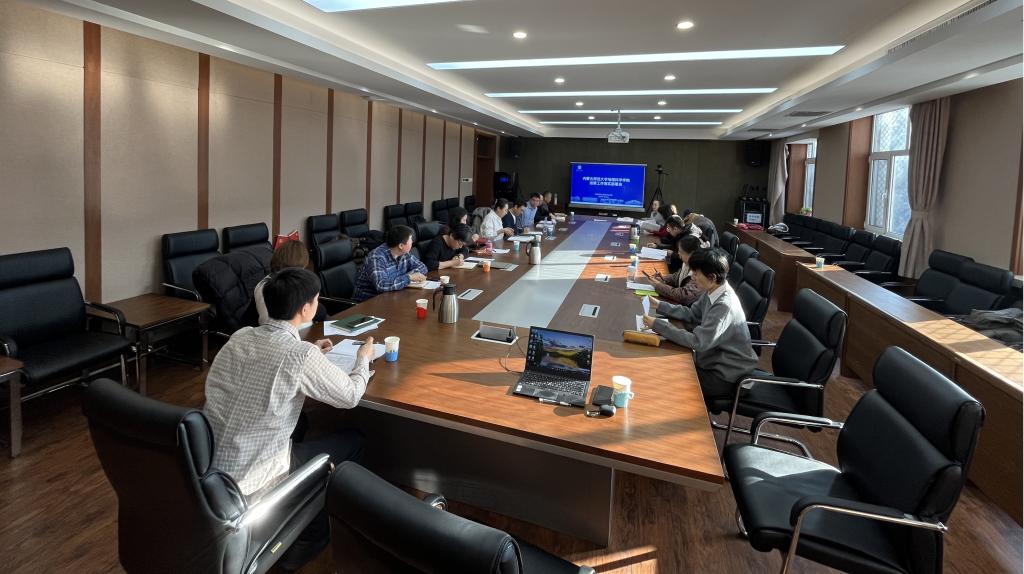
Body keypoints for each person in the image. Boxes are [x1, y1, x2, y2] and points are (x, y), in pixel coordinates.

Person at [205, 267, 375, 570]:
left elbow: (267, 360)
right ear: (306, 308)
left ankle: (298, 508)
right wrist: (363, 360)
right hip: (253, 479)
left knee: (304, 423)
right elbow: (350, 396)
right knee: (356, 440)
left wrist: (310, 351)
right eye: (316, 300)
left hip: (207, 465)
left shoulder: (240, 337)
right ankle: (312, 540)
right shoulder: (299, 355)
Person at [642, 248, 757, 410]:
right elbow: (692, 314)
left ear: (712, 277)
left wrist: (658, 325)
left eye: (696, 274)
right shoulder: (713, 290)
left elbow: (698, 342)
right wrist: (661, 305)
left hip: (726, 375)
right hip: (712, 361)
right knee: (667, 367)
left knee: (667, 378)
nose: (692, 277)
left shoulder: (724, 305)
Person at [352, 224, 428, 302]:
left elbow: (422, 267)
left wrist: (409, 277)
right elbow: (381, 285)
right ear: (401, 246)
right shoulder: (377, 257)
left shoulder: (404, 254)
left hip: (390, 297)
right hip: (367, 303)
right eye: (410, 239)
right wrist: (409, 277)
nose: (412, 242)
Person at [254, 239, 318, 326]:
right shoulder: (266, 286)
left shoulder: (295, 281)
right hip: (282, 332)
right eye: (301, 268)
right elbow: (268, 323)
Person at [650, 234, 706, 305]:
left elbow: (684, 296)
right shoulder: (687, 263)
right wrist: (663, 279)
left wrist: (658, 286)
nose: (679, 254)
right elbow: (677, 276)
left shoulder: (701, 271)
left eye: (681, 252)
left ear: (691, 254)